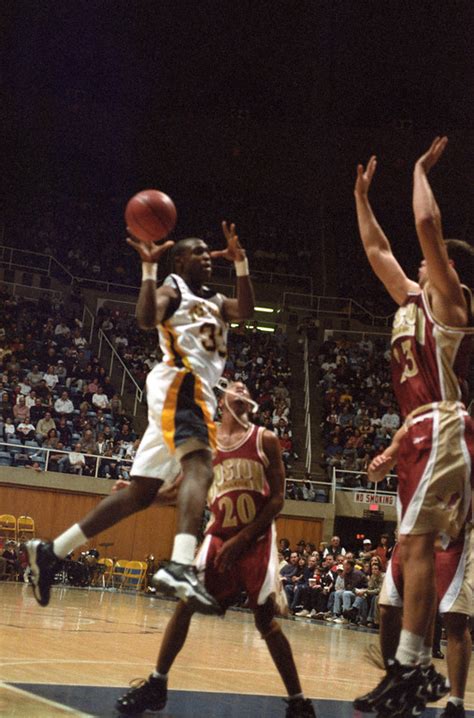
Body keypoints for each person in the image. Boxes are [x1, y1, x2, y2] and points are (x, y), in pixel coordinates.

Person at [27, 221, 255, 615]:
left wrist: (241, 264)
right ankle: (181, 565)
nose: (206, 257)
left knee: (140, 494)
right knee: (200, 466)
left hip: (192, 390)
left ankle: (52, 552)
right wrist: (149, 270)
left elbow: (246, 311)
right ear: (179, 261)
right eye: (198, 252)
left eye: (208, 252)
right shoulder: (172, 288)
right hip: (181, 382)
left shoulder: (216, 300)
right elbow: (146, 319)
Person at [353, 137, 474, 715]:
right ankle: (411, 668)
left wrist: (421, 169)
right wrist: (361, 198)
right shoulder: (409, 298)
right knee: (412, 546)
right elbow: (378, 249)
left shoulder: (451, 301)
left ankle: (413, 667)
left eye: (429, 260)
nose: (419, 263)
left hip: (444, 426)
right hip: (418, 434)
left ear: (447, 268)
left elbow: (427, 222)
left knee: (415, 543)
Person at [115, 381, 315, 717]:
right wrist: (139, 495)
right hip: (220, 535)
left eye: (246, 390)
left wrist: (243, 539)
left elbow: (278, 500)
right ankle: (157, 684)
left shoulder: (265, 439)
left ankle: (299, 702)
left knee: (265, 621)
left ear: (250, 404)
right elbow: (176, 491)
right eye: (235, 388)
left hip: (256, 537)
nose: (241, 391)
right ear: (222, 400)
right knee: (185, 603)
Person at [356, 433, 472, 718]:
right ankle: (396, 682)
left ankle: (456, 703)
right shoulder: (412, 430)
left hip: (453, 537)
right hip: (412, 533)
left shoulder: (464, 438)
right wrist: (377, 468)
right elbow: (377, 472)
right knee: (387, 609)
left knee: (455, 619)